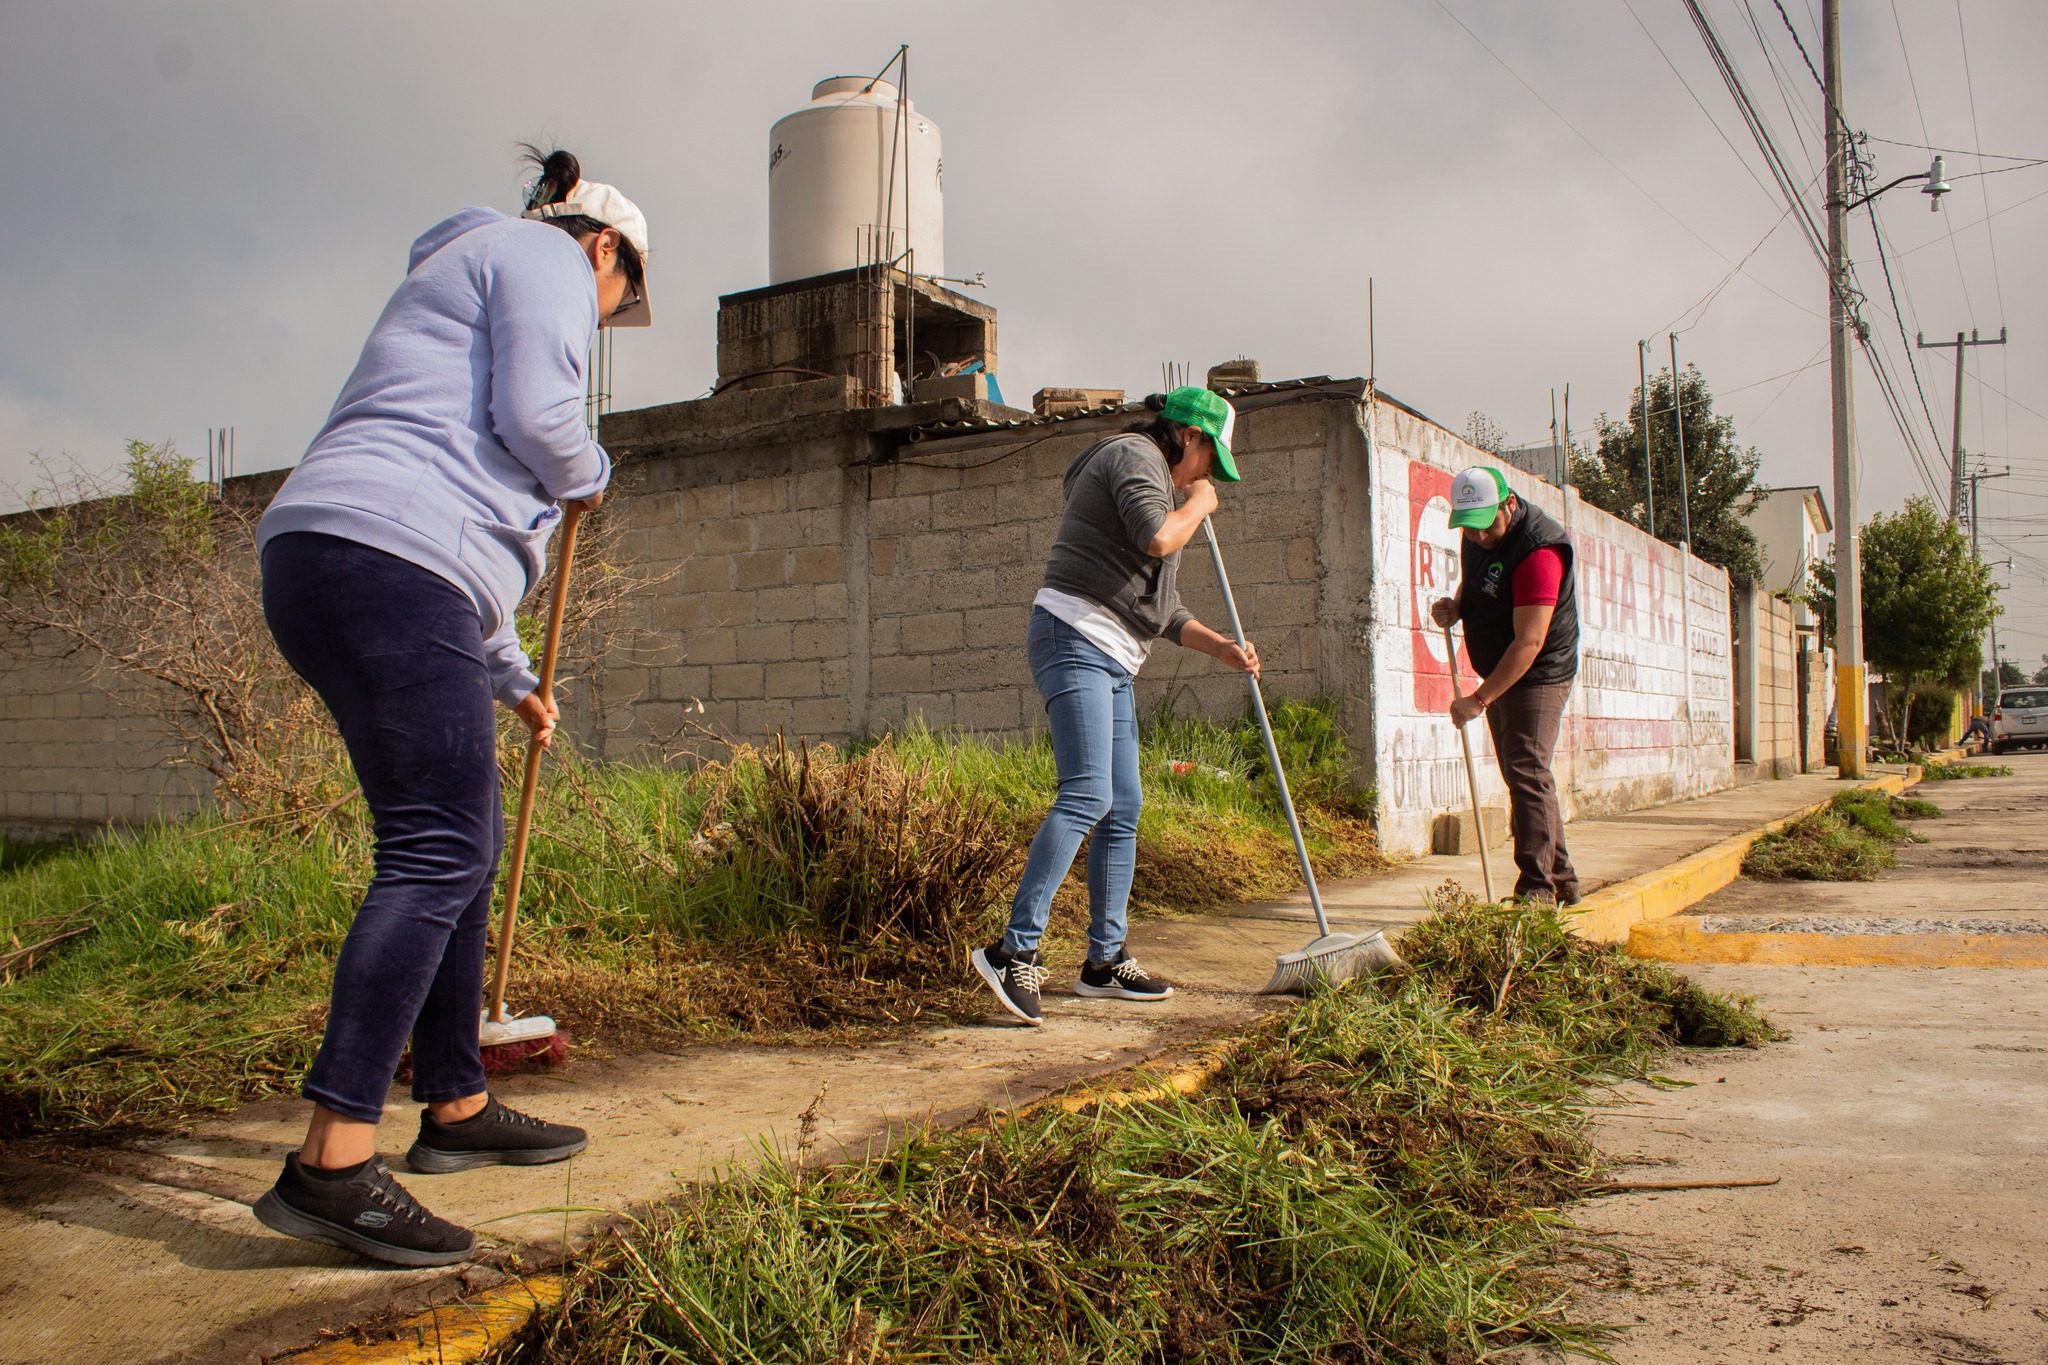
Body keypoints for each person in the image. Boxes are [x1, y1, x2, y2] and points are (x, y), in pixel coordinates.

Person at [249, 147, 650, 1266]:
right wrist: (592, 468)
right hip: (385, 558)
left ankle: (458, 1107)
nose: (603, 319)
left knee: (456, 847)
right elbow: (536, 419)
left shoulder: (466, 266)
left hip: (359, 556)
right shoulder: (541, 254)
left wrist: (511, 678)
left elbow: (461, 517)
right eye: (617, 303)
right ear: (606, 249)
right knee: (435, 852)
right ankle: (332, 1162)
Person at [972, 387, 1262, 1026]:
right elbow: (1159, 539)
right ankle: (1011, 950)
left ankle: (1103, 961)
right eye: (1211, 461)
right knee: (1087, 794)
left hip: (1115, 657)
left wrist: (1222, 649)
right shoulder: (1135, 457)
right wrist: (1201, 505)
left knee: (1122, 804)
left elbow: (1160, 609)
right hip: (1073, 636)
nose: (1210, 475)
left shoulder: (1158, 483)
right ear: (1190, 437)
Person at [1430, 467, 1582, 906]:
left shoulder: (1539, 551)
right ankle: (1563, 880)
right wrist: (1456, 606)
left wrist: (1479, 699)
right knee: (1525, 771)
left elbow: (1530, 641)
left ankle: (1537, 888)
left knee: (1526, 770)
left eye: (1485, 527)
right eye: (1469, 530)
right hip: (1502, 665)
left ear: (1508, 504)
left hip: (1539, 670)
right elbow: (1478, 576)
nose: (1477, 539)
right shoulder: (1478, 531)